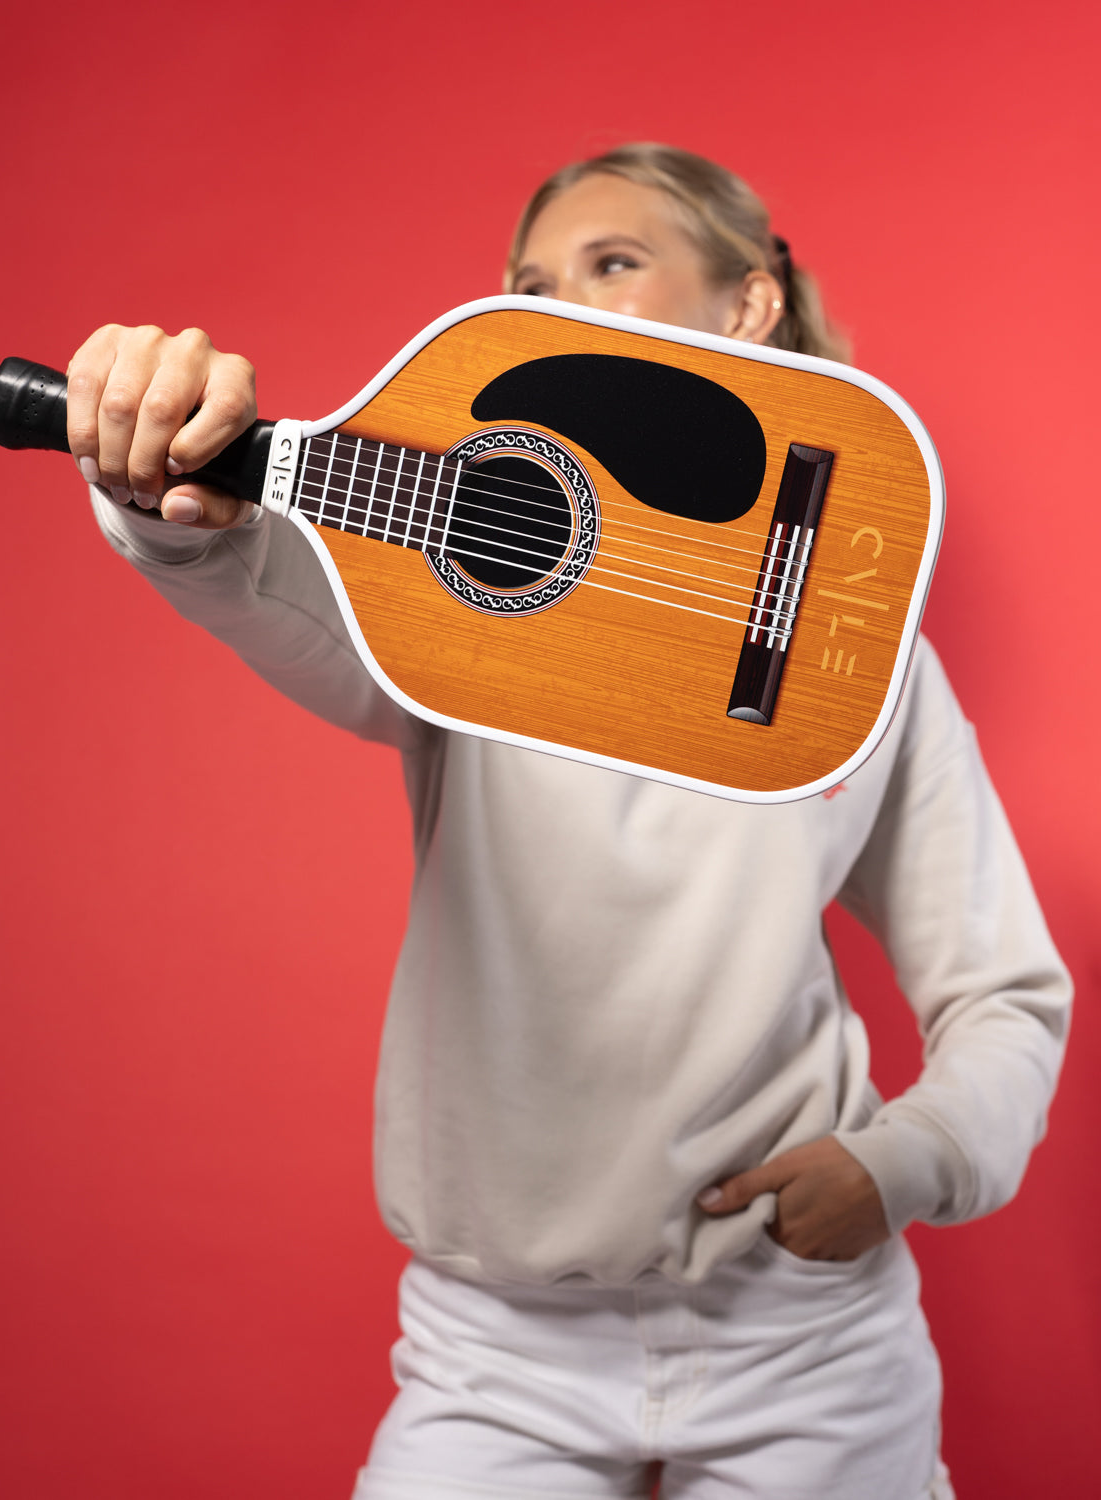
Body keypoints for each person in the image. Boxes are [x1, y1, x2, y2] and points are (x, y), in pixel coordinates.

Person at [64, 145, 1071, 1500]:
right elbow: (261, 578)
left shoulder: (866, 664)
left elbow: (1006, 993)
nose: (565, 303)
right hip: (499, 1346)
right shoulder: (439, 606)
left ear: (748, 307)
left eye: (614, 263)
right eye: (534, 282)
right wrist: (165, 500)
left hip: (807, 1338)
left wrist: (906, 1163)